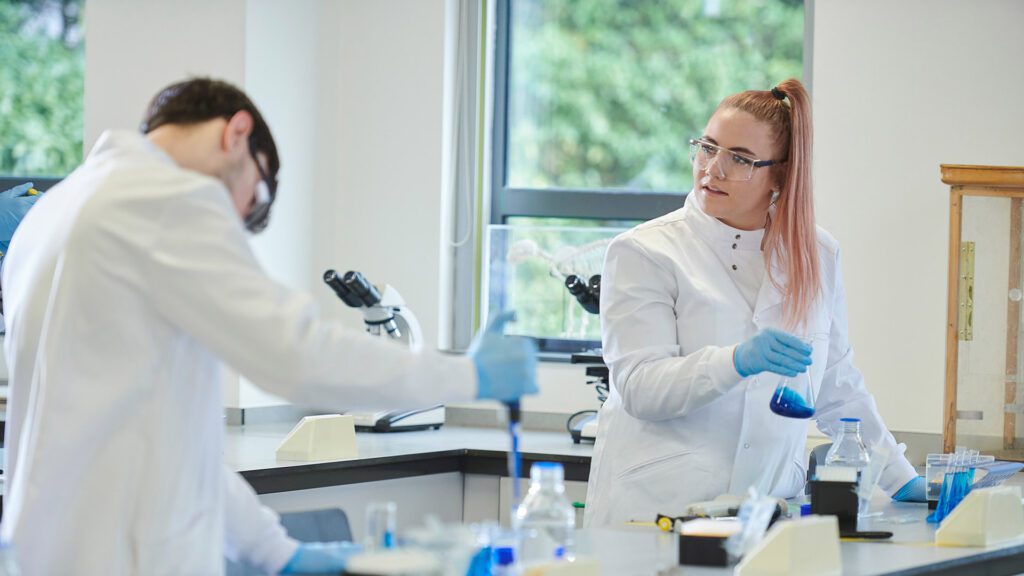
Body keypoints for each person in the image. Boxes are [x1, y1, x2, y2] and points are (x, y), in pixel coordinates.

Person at [0, 78, 538, 575]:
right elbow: (296, 356)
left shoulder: (53, 212)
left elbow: (172, 438)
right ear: (237, 132)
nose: (235, 223)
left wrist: (275, 551)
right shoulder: (168, 198)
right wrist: (465, 375)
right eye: (251, 200)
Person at [584, 78, 924, 528]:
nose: (713, 169)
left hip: (766, 509)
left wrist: (900, 478)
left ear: (780, 174)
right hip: (659, 510)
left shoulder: (816, 254)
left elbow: (837, 382)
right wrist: (735, 362)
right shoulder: (644, 251)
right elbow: (641, 387)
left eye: (740, 159)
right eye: (707, 148)